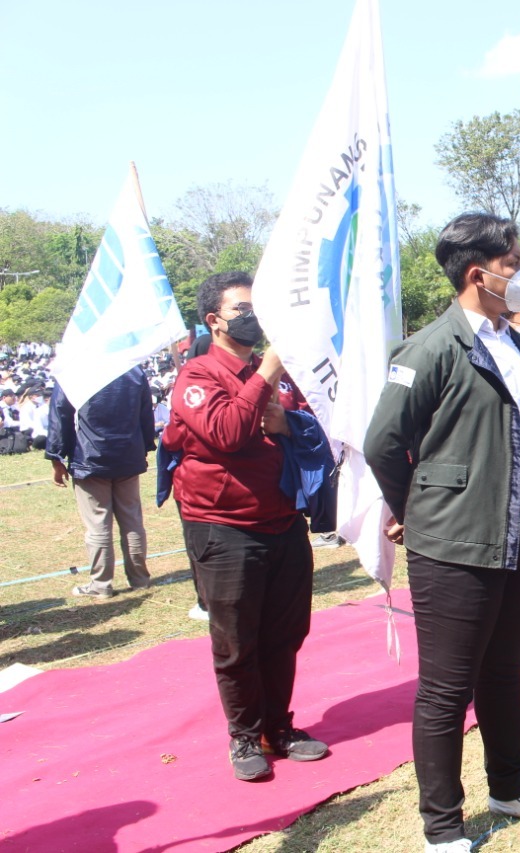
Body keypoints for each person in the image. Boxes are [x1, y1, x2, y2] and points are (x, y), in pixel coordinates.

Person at [364, 213, 520, 850]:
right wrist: (418, 509)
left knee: (503, 672)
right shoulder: (432, 347)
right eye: (513, 264)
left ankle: (510, 787)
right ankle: (442, 827)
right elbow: (383, 442)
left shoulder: (515, 343)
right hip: (455, 545)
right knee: (446, 690)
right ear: (478, 275)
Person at [164, 271, 327, 783]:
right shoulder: (197, 376)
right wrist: (268, 372)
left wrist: (286, 420)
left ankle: (278, 727)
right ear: (214, 321)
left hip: (282, 522)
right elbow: (228, 433)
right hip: (224, 528)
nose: (254, 318)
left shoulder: (270, 370)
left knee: (286, 632)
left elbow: (312, 425)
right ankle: (244, 735)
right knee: (237, 640)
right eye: (243, 309)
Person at [46, 367, 154, 598]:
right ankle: (140, 579)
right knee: (132, 520)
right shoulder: (133, 369)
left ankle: (101, 584)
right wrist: (144, 445)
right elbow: (145, 412)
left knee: (98, 524)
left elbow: (60, 414)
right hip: (126, 454)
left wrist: (56, 456)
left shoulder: (74, 371)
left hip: (91, 457)